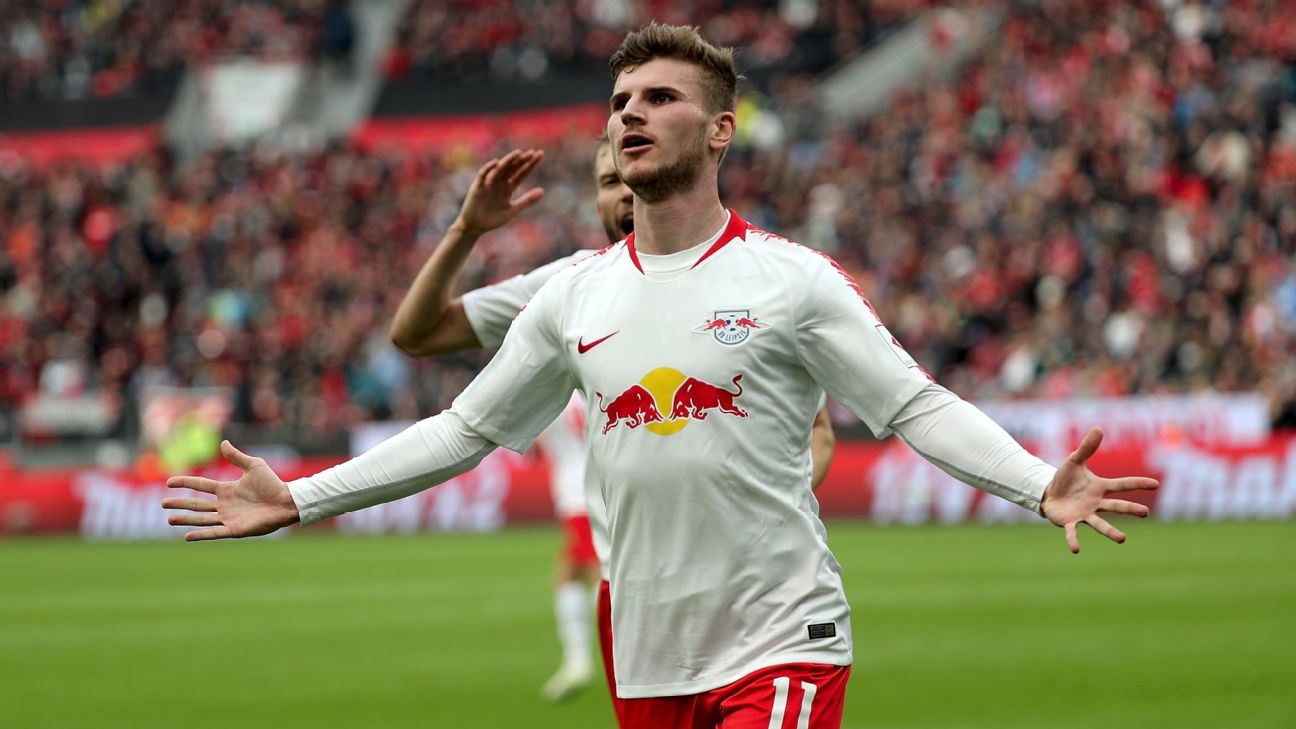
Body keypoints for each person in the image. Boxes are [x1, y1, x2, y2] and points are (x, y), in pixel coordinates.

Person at [163, 22, 1158, 729]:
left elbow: (913, 405)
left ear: (720, 130)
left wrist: (1037, 482)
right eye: (622, 103)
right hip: (645, 652)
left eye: (660, 99)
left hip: (783, 641)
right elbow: (463, 431)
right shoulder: (571, 296)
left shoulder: (792, 281)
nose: (631, 114)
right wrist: (298, 498)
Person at [385, 143, 835, 707]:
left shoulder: (757, 282)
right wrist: (465, 231)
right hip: (630, 592)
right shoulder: (570, 287)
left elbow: (816, 434)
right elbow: (417, 333)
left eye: (633, 174)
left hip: (753, 590)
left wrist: (745, 507)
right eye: (608, 181)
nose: (623, 191)